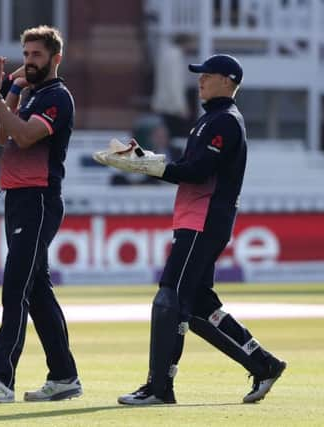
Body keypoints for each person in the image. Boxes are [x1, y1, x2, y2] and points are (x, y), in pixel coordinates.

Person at [95, 54, 286, 405]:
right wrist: (145, 158)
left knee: (170, 297)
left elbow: (197, 172)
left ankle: (159, 388)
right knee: (197, 305)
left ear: (227, 81)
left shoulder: (225, 121)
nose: (200, 81)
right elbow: (188, 167)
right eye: (200, 75)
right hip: (196, 219)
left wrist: (147, 167)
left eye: (208, 75)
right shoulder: (211, 119)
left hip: (204, 219)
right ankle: (265, 364)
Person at [0, 26, 83, 403]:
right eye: (25, 55)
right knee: (36, 291)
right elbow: (1, 137)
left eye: (36, 55)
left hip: (39, 198)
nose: (29, 62)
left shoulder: (57, 97)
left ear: (55, 58)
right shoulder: (31, 93)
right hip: (17, 197)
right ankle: (65, 375)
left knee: (15, 287)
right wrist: (11, 91)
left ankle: (1, 380)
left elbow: (21, 136)